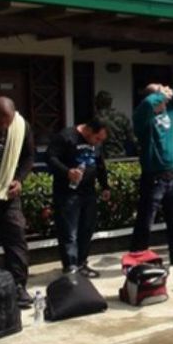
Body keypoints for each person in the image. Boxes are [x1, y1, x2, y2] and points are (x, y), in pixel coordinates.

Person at [129, 84, 173, 266]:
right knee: (146, 219)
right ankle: (138, 256)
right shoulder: (143, 117)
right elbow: (146, 105)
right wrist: (159, 93)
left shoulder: (169, 112)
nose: (166, 99)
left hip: (172, 174)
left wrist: (170, 91)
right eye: (161, 95)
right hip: (154, 176)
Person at [46, 118, 111, 278]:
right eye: (97, 138)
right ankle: (71, 267)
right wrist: (67, 172)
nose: (98, 142)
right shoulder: (66, 136)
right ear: (88, 130)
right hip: (67, 192)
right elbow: (50, 158)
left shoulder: (97, 143)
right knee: (69, 232)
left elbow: (100, 164)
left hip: (88, 192)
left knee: (87, 229)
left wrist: (105, 186)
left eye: (101, 140)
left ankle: (82, 264)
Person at [0, 97, 35, 308]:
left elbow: (29, 157)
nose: (5, 126)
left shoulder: (21, 126)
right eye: (1, 121)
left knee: (16, 239)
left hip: (7, 194)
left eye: (8, 122)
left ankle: (18, 287)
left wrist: (19, 179)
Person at [94, 90, 136, 159]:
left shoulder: (97, 118)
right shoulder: (121, 117)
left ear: (98, 103)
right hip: (121, 155)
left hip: (105, 156)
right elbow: (132, 138)